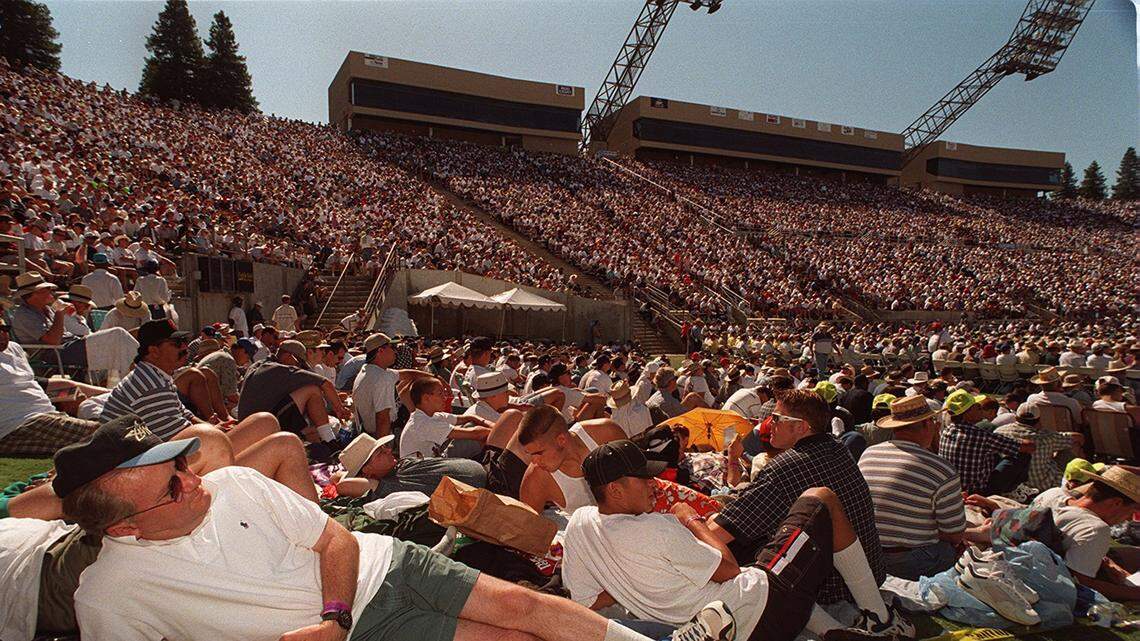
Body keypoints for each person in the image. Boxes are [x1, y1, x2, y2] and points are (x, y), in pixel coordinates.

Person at [55, 416, 735, 641]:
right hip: (364, 626)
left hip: (372, 572)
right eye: (174, 479)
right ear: (125, 526)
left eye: (182, 461)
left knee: (526, 603)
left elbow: (334, 539)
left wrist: (331, 615)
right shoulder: (108, 598)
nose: (196, 475)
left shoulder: (233, 482)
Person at [563, 440, 903, 641]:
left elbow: (586, 601)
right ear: (615, 490)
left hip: (733, 624)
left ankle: (830, 633)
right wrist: (691, 520)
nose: (655, 483)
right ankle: (880, 618)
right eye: (644, 478)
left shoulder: (579, 525)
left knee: (769, 561)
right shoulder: (656, 528)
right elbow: (727, 569)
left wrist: (629, 582)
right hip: (764, 607)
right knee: (821, 497)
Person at [703, 390, 896, 627]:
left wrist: (690, 523)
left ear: (802, 427)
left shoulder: (787, 466)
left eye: (776, 419)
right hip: (869, 571)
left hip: (830, 589)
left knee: (737, 554)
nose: (768, 424)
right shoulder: (837, 448)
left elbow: (724, 530)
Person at [857, 396, 965, 580]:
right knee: (953, 550)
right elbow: (954, 535)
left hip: (868, 552)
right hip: (910, 561)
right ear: (926, 425)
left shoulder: (869, 453)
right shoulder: (941, 469)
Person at [0, 319, 103, 455]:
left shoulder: (14, 349)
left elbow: (39, 383)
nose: (2, 334)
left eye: (5, 329)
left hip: (46, 416)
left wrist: (109, 392)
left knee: (99, 433)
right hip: (17, 427)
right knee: (104, 435)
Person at [9, 271, 138, 375]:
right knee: (117, 335)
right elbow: (53, 341)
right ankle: (141, 377)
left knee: (119, 340)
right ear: (34, 294)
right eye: (46, 289)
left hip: (68, 346)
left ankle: (138, 375)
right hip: (54, 353)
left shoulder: (46, 309)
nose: (51, 292)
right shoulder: (24, 315)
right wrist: (60, 314)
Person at [517, 405, 627, 514]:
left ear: (561, 440)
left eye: (539, 453)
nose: (534, 461)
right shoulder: (536, 480)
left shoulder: (606, 433)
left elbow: (641, 479)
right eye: (530, 454)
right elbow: (526, 526)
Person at [333, 432, 487, 499]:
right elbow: (343, 485)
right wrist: (368, 480)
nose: (388, 450)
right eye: (380, 453)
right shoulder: (387, 486)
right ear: (367, 469)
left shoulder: (397, 467)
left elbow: (337, 477)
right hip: (486, 490)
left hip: (484, 475)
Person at [939, 389, 1034, 496]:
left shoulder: (946, 432)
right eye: (978, 407)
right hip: (978, 490)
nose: (981, 410)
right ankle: (1012, 490)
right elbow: (1027, 447)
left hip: (954, 488)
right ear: (967, 413)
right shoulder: (979, 435)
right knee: (1022, 455)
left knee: (995, 453)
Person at [399, 377, 495, 459]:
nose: (445, 398)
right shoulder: (422, 423)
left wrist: (490, 424)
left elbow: (468, 417)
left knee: (471, 426)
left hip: (434, 460)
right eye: (440, 394)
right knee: (474, 439)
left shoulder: (432, 416)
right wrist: (498, 431)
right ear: (426, 398)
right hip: (422, 472)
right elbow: (476, 434)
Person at [993, 403, 1080, 491]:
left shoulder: (999, 432)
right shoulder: (1047, 437)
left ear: (1016, 417)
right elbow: (1078, 437)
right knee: (1072, 446)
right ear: (1038, 420)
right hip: (1044, 485)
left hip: (1008, 484)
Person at [353, 333, 399, 438]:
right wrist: (381, 448)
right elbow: (382, 418)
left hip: (367, 432)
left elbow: (404, 374)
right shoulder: (382, 378)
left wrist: (433, 376)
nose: (395, 351)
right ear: (380, 351)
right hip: (381, 434)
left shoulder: (367, 370)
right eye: (391, 347)